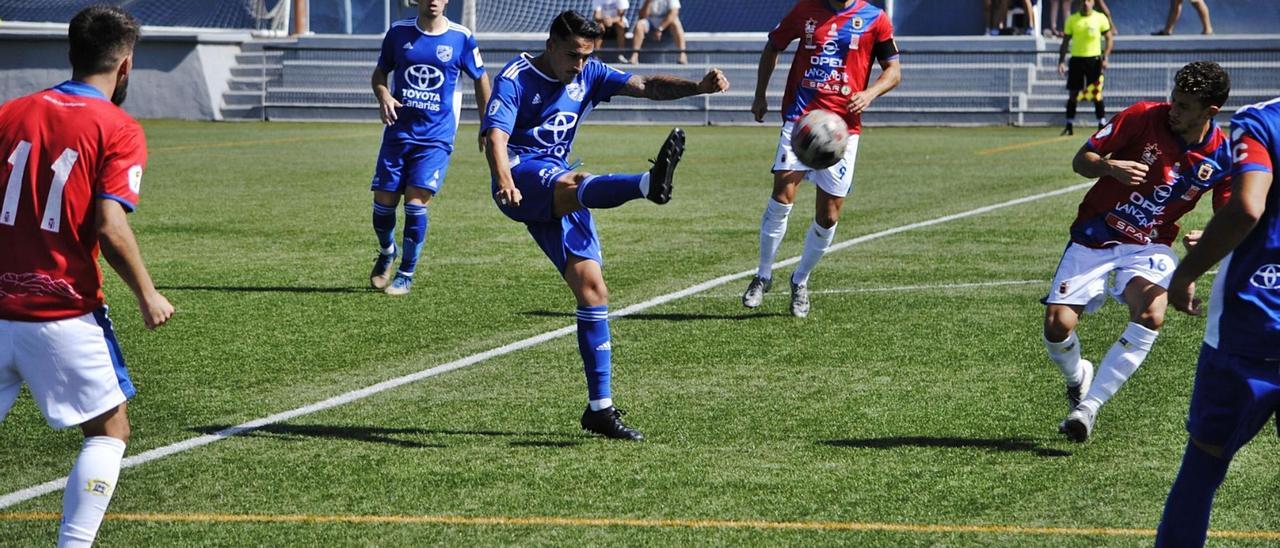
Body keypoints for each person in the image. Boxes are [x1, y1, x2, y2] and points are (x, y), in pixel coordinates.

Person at [481, 10, 728, 439]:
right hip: (521, 177)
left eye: (587, 56)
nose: (580, 64)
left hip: (559, 183)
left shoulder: (590, 72)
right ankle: (647, 183)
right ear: (552, 44)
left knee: (593, 290)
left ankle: (600, 408)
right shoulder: (515, 77)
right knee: (576, 182)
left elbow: (646, 85)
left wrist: (698, 88)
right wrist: (503, 178)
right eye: (574, 55)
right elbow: (495, 137)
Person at [0, 5, 174, 546]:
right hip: (62, 312)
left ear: (70, 53)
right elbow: (109, 225)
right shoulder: (117, 127)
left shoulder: (9, 113)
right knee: (109, 429)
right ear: (126, 65)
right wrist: (147, 293)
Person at [1041, 61, 1233, 443]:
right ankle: (1078, 376)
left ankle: (1087, 409)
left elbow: (1230, 213)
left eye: (1184, 106)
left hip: (1151, 243)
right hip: (1096, 232)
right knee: (1057, 326)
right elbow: (1082, 160)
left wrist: (1208, 234)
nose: (1174, 110)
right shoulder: (1142, 116)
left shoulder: (1222, 156)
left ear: (1209, 112)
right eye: (1174, 100)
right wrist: (1110, 167)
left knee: (1151, 313)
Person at [1154, 96, 1279, 547]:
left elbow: (1248, 207)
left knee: (1204, 465)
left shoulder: (1263, 120)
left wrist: (1187, 272)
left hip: (1255, 320)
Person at [742, 0, 901, 318]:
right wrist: (760, 95)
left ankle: (800, 280)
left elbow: (894, 70)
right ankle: (762, 276)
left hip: (842, 130)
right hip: (802, 120)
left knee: (828, 215)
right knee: (782, 195)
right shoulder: (804, 10)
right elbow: (772, 47)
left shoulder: (875, 18)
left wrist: (869, 94)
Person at [368, 0, 491, 295]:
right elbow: (379, 74)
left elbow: (482, 78)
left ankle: (406, 273)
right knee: (383, 208)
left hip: (436, 137)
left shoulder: (461, 37)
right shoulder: (398, 32)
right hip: (398, 134)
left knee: (414, 205)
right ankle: (387, 251)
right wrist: (383, 94)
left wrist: (486, 124)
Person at [1057, 0, 1113, 136]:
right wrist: (1061, 61)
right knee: (1073, 93)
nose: (1086, 3)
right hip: (1076, 60)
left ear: (1093, 3)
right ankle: (1069, 124)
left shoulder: (1100, 18)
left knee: (1096, 93)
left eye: (1088, 0)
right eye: (1083, 1)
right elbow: (1065, 42)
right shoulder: (1072, 19)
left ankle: (1101, 123)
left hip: (1094, 60)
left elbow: (1109, 39)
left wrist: (1105, 57)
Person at [626, 0, 688, 65]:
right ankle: (635, 55)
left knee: (676, 23)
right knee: (639, 24)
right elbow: (642, 16)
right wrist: (648, 2)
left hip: (666, 25)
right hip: (650, 24)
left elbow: (674, 13)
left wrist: (660, 29)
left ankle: (682, 54)